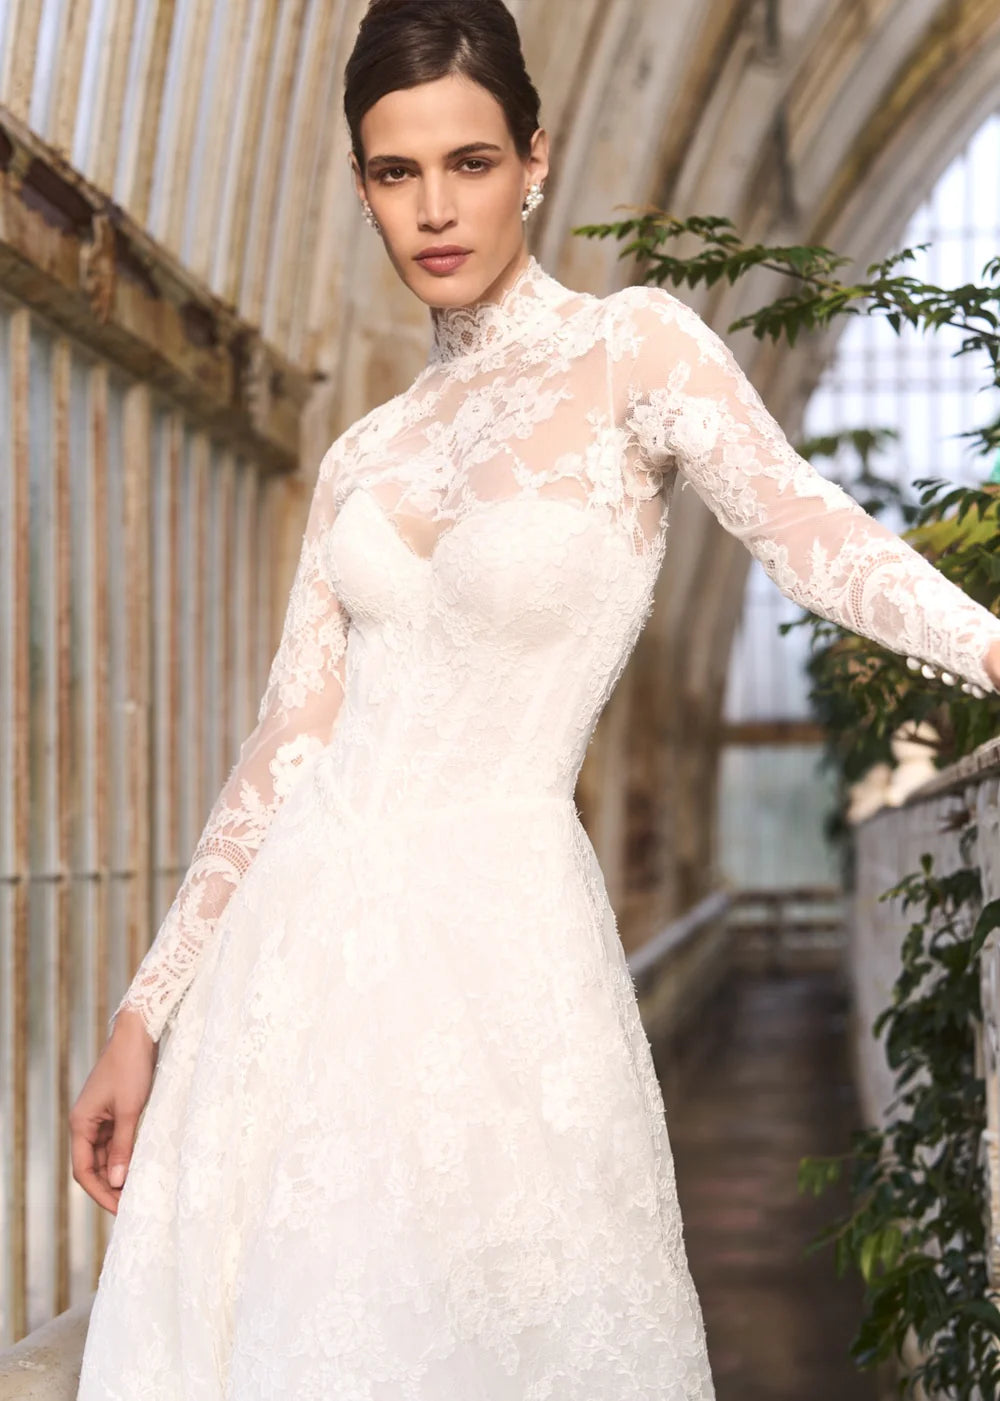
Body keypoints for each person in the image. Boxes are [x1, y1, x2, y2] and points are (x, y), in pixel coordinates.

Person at [71, 1, 1000, 1396]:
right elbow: (286, 742)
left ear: (536, 160)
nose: (436, 209)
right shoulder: (362, 454)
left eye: (471, 162)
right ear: (362, 185)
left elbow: (804, 528)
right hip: (287, 970)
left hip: (500, 954)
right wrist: (146, 1011)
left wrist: (989, 646)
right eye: (396, 172)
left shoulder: (634, 349)